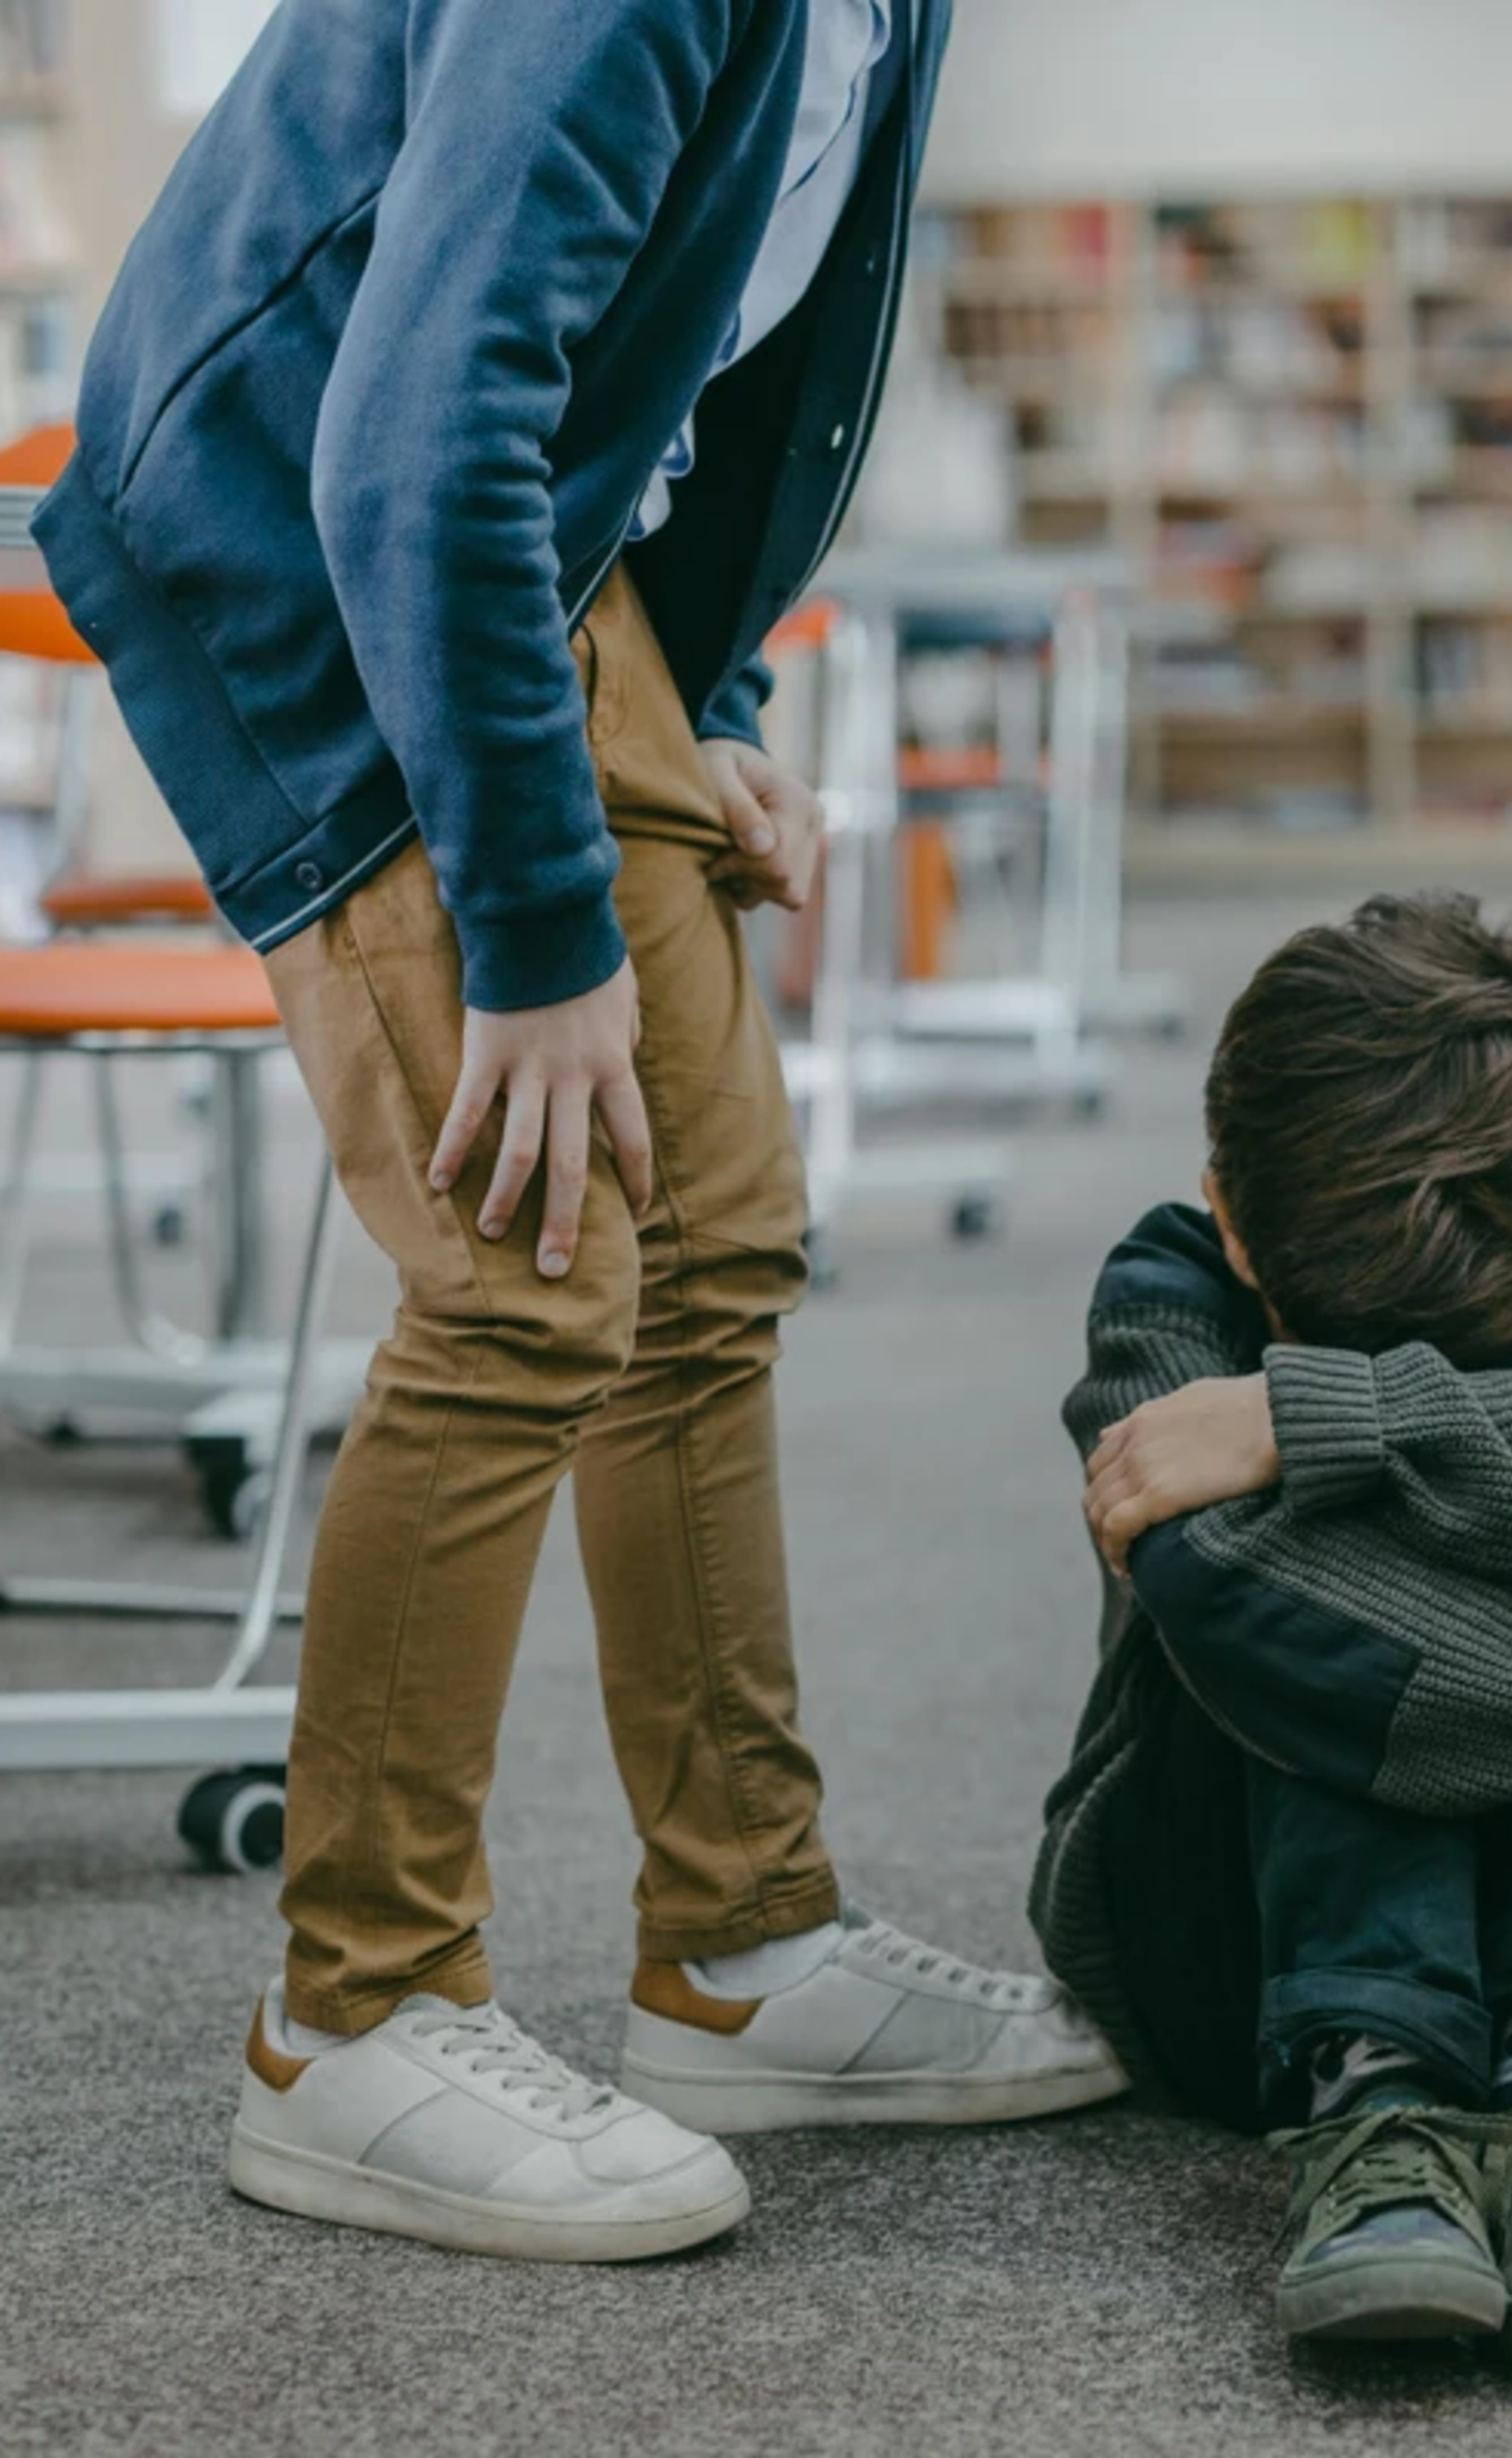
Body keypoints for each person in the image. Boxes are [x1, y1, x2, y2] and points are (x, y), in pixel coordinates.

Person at [36, 0, 1124, 2267]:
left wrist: (700, 711)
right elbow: (415, 425)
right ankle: (351, 2016)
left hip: (532, 545)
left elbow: (704, 352)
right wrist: (537, 932)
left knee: (713, 1241)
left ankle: (737, 1948)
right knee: (534, 1271)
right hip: (314, 533)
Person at [1030, 895, 1512, 2361]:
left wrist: (1331, 1411)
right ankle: (1377, 2085)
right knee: (1297, 1584)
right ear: (1229, 1220)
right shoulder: (1167, 1293)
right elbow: (1236, 1600)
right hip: (1222, 1949)